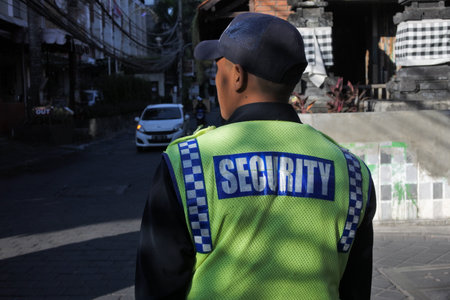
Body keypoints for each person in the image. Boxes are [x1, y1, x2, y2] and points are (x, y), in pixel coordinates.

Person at [135, 12, 376, 300]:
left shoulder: (186, 163)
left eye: (218, 69)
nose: (215, 79)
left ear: (237, 76)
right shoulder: (351, 172)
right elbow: (356, 290)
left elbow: (157, 288)